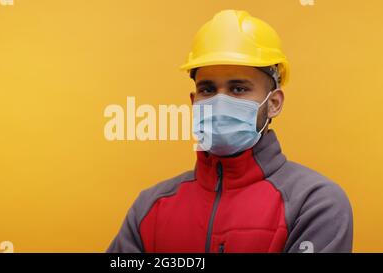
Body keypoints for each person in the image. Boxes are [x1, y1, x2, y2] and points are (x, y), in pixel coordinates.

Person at [106, 9, 353, 253]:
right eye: (208, 89)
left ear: (273, 103)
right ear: (194, 102)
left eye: (238, 89)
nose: (219, 102)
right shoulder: (150, 208)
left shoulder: (314, 204)